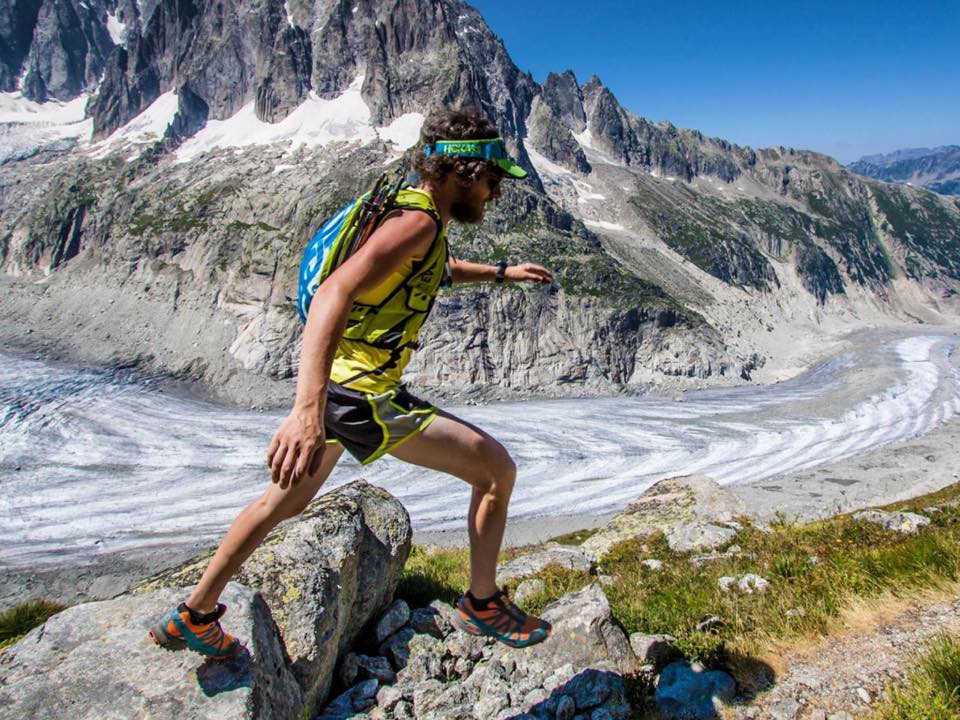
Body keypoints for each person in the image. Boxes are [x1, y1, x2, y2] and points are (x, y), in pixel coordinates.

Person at [149, 108, 555, 658]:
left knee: (281, 503)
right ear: (462, 173)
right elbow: (334, 294)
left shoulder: (413, 218)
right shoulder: (417, 223)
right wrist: (305, 411)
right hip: (361, 395)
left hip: (346, 390)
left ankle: (193, 614)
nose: (494, 194)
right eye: (490, 180)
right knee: (495, 472)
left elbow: (434, 266)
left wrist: (502, 272)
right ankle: (482, 605)